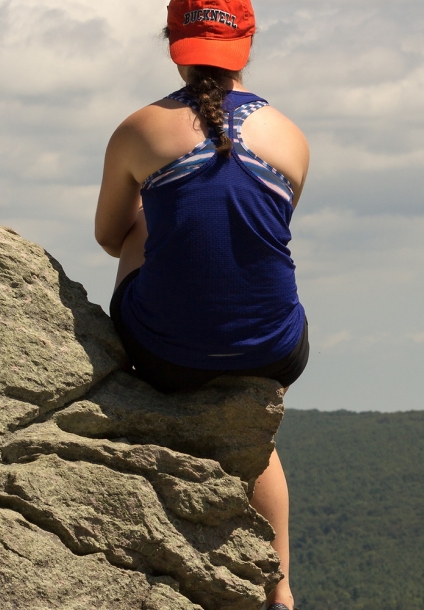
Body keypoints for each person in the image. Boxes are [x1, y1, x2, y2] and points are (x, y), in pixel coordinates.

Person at [94, 0, 307, 608]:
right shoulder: (290, 134)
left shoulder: (138, 128)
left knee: (143, 229)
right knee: (256, 434)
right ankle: (281, 587)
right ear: (247, 44)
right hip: (274, 348)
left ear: (173, 46)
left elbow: (111, 236)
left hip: (165, 356)